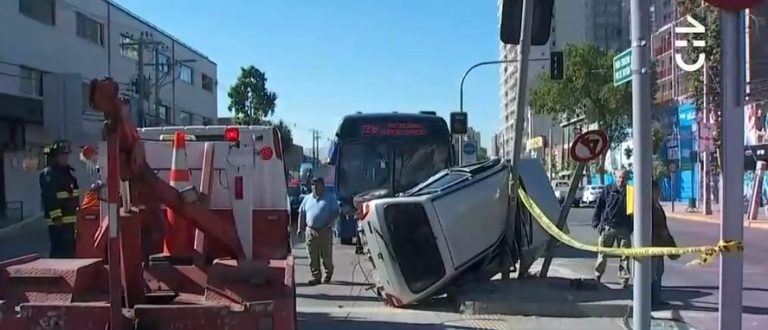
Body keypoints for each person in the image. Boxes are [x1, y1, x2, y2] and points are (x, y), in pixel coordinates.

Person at [592, 170, 632, 288]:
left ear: (627, 179)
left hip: (624, 229)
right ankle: (598, 275)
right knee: (603, 254)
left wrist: (631, 227)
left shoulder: (630, 192)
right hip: (608, 227)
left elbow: (634, 212)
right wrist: (596, 222)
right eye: (619, 177)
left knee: (625, 256)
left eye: (624, 178)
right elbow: (599, 206)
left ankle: (624, 280)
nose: (621, 180)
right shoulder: (608, 190)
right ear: (615, 178)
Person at [40, 140, 80, 258]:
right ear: (54, 157)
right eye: (62, 155)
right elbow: (50, 197)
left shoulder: (68, 174)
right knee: (60, 254)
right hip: (59, 224)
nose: (66, 158)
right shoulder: (49, 174)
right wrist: (57, 218)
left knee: (70, 253)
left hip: (71, 224)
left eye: (67, 155)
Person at [297, 177, 340, 285]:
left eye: (317, 185)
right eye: (313, 185)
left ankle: (328, 273)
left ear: (323, 186)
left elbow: (336, 212)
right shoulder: (307, 199)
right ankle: (316, 276)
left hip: (324, 230)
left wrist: (327, 222)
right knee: (312, 256)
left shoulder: (330, 198)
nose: (315, 187)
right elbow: (302, 213)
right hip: (310, 231)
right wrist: (300, 228)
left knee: (326, 255)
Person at [651, 179, 679, 307]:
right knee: (653, 274)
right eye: (656, 190)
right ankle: (651, 300)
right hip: (652, 246)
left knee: (659, 272)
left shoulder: (657, 205)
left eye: (658, 190)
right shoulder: (648, 207)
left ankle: (656, 298)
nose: (658, 193)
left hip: (659, 246)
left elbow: (663, 225)